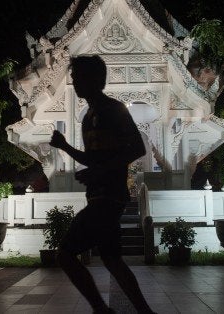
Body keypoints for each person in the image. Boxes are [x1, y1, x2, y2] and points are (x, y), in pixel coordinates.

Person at [50, 55, 155, 314]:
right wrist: (65, 147)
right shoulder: (89, 118)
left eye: (78, 77)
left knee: (64, 254)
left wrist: (100, 171)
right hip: (97, 195)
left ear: (94, 80)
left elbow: (137, 148)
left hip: (110, 196)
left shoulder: (113, 110)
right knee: (112, 260)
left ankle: (101, 308)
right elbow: (93, 159)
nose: (74, 83)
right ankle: (144, 311)